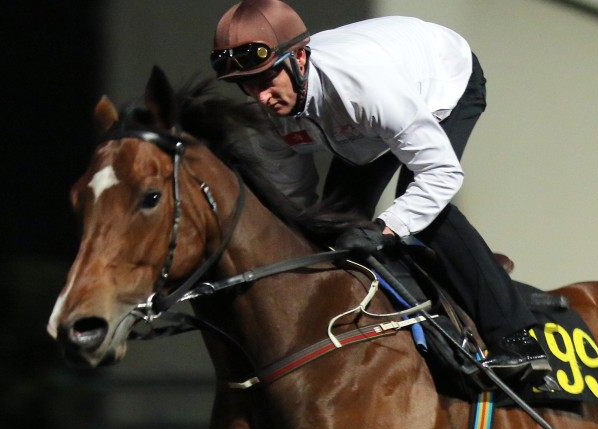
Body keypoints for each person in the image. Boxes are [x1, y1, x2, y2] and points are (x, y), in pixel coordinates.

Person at [209, 0, 549, 379]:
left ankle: (519, 340)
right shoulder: (267, 116)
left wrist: (386, 228)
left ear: (300, 58)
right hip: (365, 122)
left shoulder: (365, 87)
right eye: (246, 85)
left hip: (441, 78)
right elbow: (297, 200)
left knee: (422, 212)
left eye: (267, 79)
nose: (260, 97)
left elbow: (441, 173)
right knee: (334, 221)